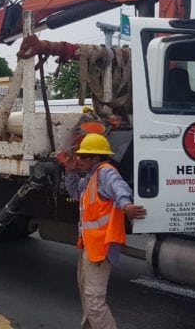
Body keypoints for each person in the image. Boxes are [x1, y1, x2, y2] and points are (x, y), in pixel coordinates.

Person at [63, 133, 147, 329]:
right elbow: (75, 193)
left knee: (93, 301)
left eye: (83, 157)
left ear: (96, 158)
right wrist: (70, 171)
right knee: (86, 294)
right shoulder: (91, 177)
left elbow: (120, 188)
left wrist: (125, 205)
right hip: (90, 247)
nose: (78, 159)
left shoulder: (106, 172)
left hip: (101, 248)